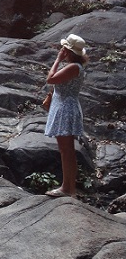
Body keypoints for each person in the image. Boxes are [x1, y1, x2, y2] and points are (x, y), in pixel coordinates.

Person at [44, 33, 88, 197]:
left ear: (69, 51)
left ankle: (67, 188)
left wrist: (57, 60)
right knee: (66, 150)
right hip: (65, 106)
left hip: (65, 109)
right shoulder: (75, 66)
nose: (62, 50)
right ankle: (69, 187)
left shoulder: (73, 67)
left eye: (64, 49)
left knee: (66, 150)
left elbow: (51, 79)